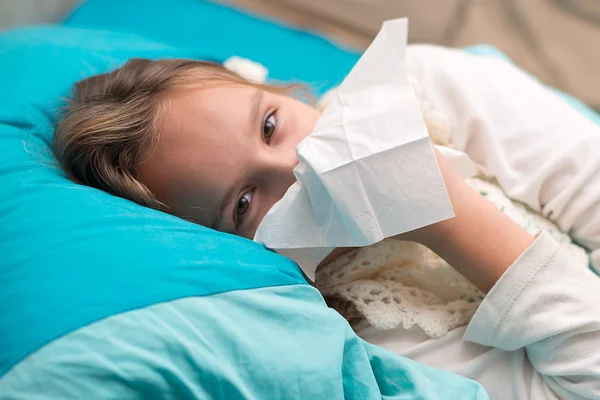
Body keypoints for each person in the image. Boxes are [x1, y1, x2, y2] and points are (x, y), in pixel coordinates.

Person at [53, 45, 600, 399]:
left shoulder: (425, 88)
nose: (297, 166)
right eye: (244, 202)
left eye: (270, 125)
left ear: (279, 91)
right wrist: (444, 212)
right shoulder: (368, 333)